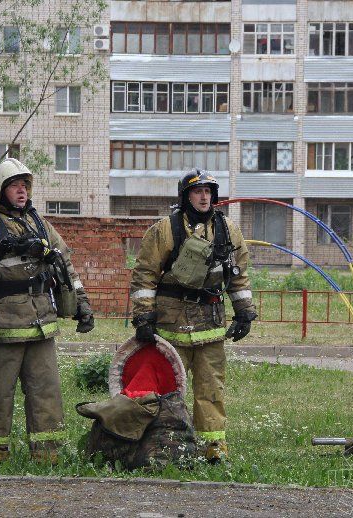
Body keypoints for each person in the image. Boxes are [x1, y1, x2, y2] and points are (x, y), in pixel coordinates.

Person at [0, 158, 94, 463]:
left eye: (25, 185)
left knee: (46, 392)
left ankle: (48, 454)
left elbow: (65, 266)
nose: (21, 191)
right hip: (1, 328)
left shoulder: (40, 224)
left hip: (41, 324)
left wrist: (82, 304)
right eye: (15, 185)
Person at [129, 169, 256, 462]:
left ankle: (213, 448)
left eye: (209, 191)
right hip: (170, 326)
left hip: (210, 325)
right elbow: (145, 275)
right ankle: (160, 443)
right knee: (164, 389)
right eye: (198, 191)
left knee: (211, 388)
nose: (204, 196)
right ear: (185, 196)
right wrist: (144, 318)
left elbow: (239, 275)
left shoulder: (228, 230)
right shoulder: (164, 230)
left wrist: (244, 313)